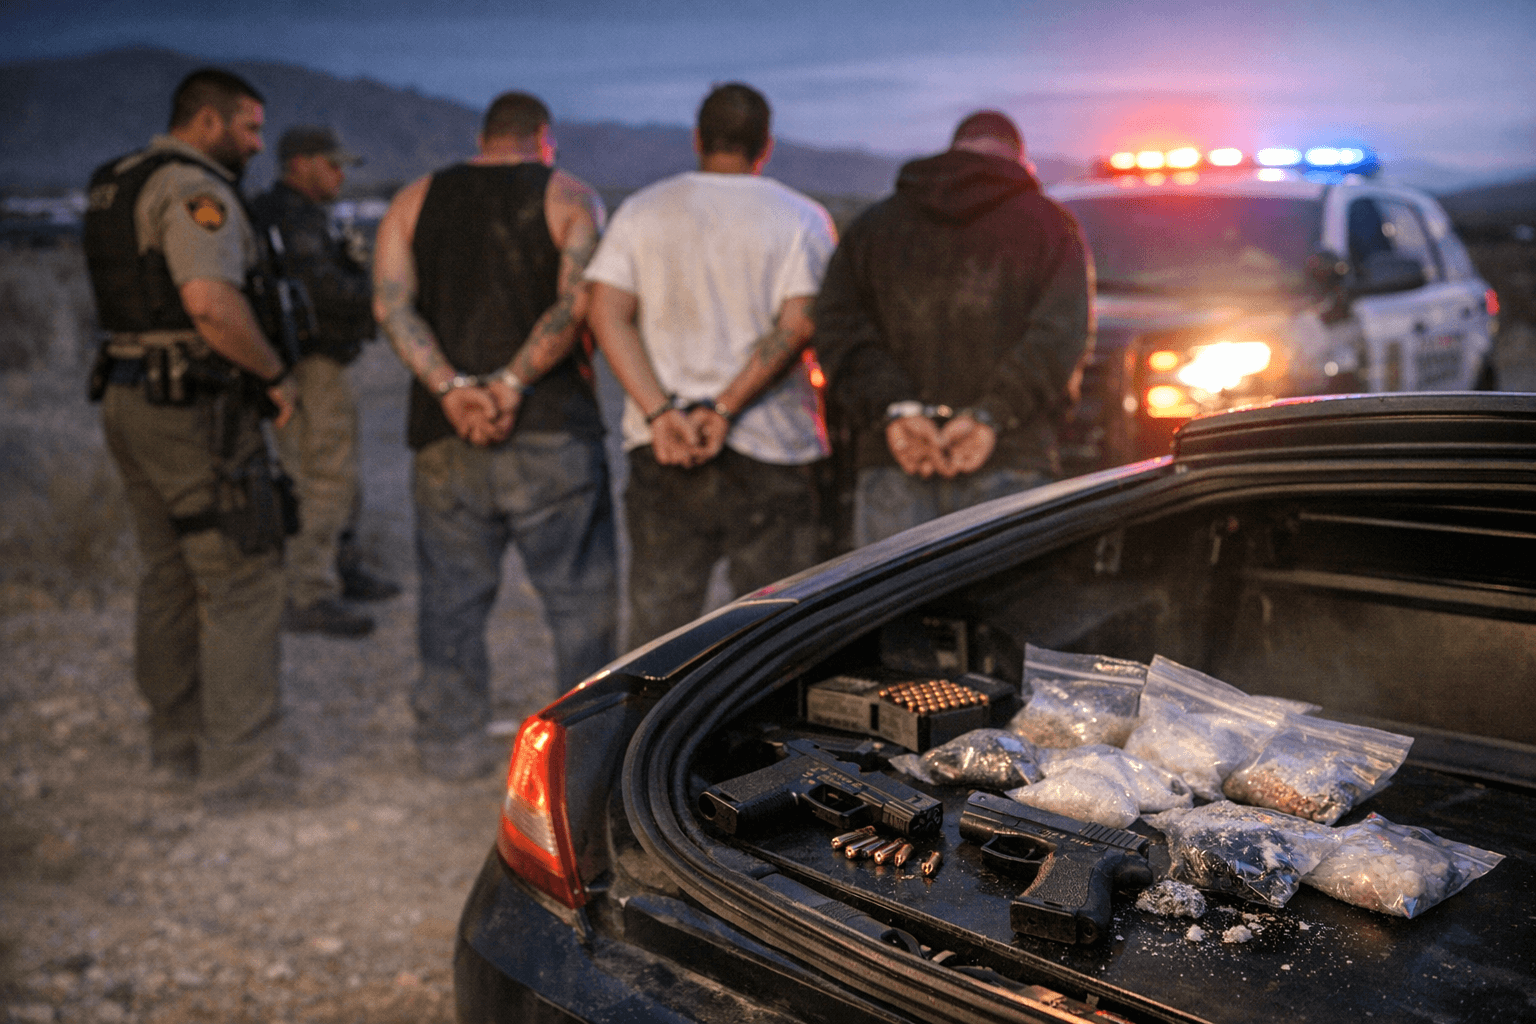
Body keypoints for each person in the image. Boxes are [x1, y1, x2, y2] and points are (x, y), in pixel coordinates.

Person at [372, 92, 617, 780]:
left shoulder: (413, 199)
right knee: (578, 604)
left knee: (452, 598)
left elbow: (391, 306)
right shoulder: (571, 196)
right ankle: (584, 758)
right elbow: (577, 305)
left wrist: (452, 388)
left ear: (483, 137)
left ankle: (448, 747)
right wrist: (510, 384)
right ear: (544, 138)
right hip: (552, 433)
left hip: (447, 435)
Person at [82, 68, 301, 807]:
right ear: (207, 122)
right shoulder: (189, 188)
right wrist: (274, 375)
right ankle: (239, 770)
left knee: (168, 572)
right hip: (192, 407)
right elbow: (210, 303)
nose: (256, 144)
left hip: (129, 392)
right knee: (241, 575)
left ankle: (172, 746)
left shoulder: (116, 179)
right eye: (248, 128)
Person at [586, 82, 837, 647]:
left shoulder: (642, 210)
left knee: (659, 638)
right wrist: (723, 410)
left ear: (698, 138)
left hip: (665, 449)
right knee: (774, 637)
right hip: (774, 450)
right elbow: (799, 325)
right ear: (765, 145)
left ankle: (654, 735)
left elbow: (607, 314)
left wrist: (660, 413)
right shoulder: (802, 217)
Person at [814, 110, 1094, 547]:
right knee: (1009, 611)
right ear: (1023, 163)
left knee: (889, 610)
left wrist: (897, 410)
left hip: (897, 458)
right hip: (1011, 456)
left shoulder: (873, 226)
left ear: (953, 151)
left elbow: (835, 328)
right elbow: (1060, 337)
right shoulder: (1049, 225)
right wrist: (990, 415)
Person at [251, 126, 399, 639]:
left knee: (338, 472)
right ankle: (310, 591)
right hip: (306, 363)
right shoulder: (289, 219)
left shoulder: (302, 216)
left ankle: (340, 567)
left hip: (321, 361)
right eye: (331, 164)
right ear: (300, 163)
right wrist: (377, 288)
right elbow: (324, 290)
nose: (340, 175)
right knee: (321, 476)